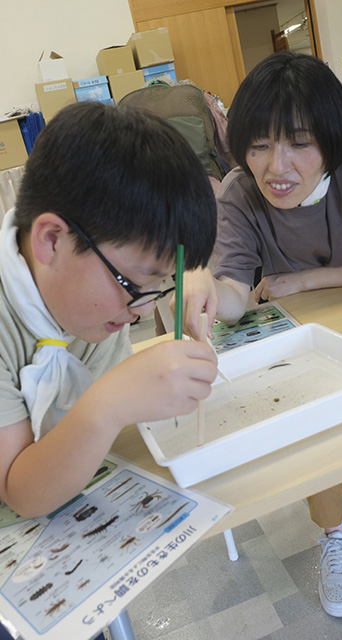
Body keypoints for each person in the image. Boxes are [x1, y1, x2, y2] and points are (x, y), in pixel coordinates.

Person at [177, 51, 342, 618]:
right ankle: (338, 535)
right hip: (315, 351)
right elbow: (234, 292)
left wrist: (307, 279)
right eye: (259, 145)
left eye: (298, 143)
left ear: (330, 141)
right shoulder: (239, 194)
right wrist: (205, 286)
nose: (275, 166)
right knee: (308, 430)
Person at [0, 101, 218, 638]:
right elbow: (22, 491)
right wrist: (108, 404)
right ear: (51, 239)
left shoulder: (84, 296)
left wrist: (188, 279)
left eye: (161, 285)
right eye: (136, 285)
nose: (143, 311)